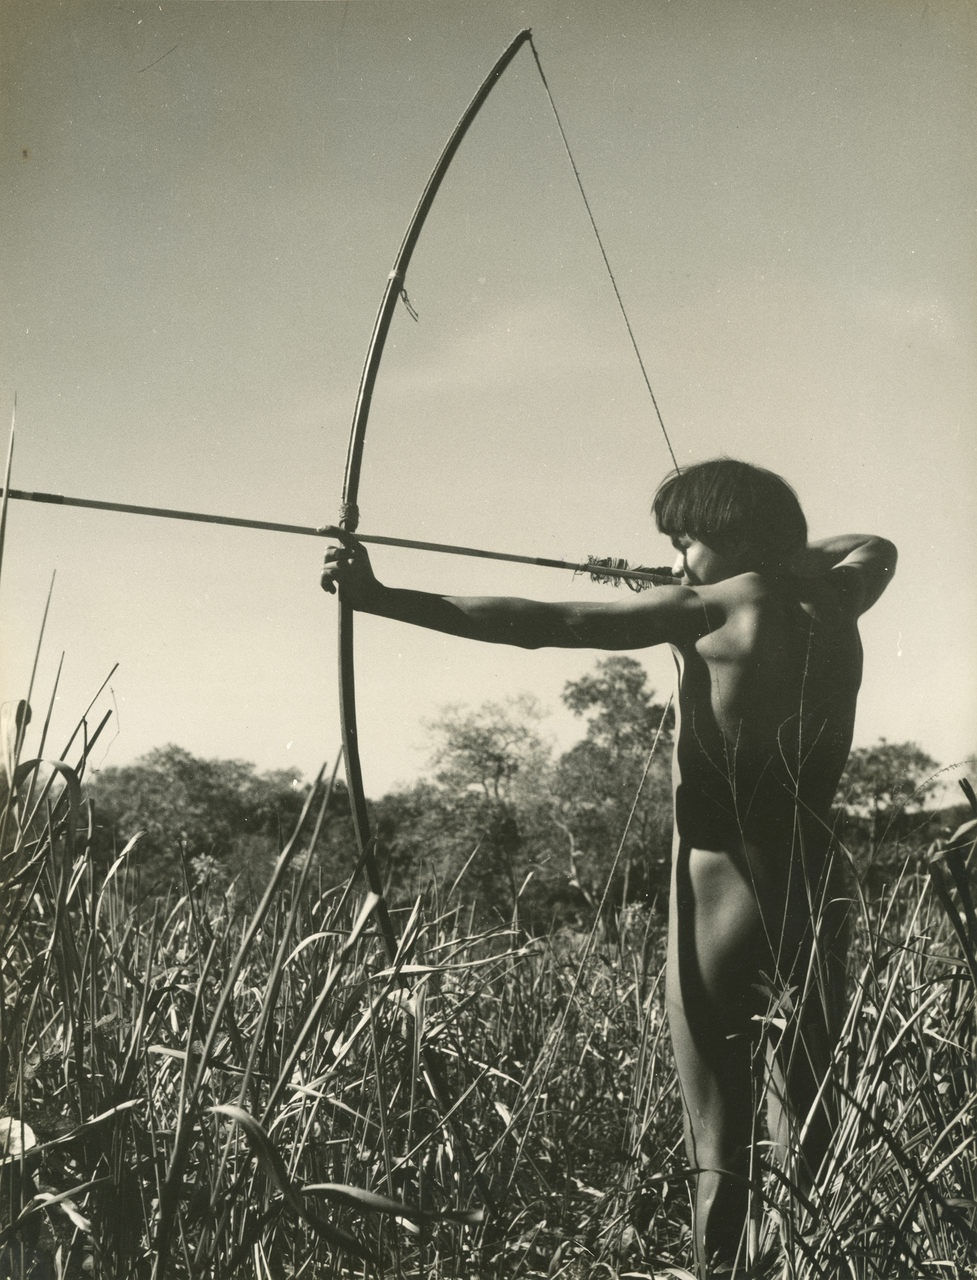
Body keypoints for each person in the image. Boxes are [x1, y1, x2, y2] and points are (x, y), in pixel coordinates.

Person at [320, 458, 897, 1278]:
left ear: (728, 539)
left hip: (722, 885)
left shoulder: (703, 605)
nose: (675, 559)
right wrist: (772, 556)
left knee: (716, 1140)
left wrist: (381, 599)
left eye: (684, 540)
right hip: (817, 875)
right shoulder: (839, 596)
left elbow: (538, 620)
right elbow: (873, 542)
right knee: (803, 1116)